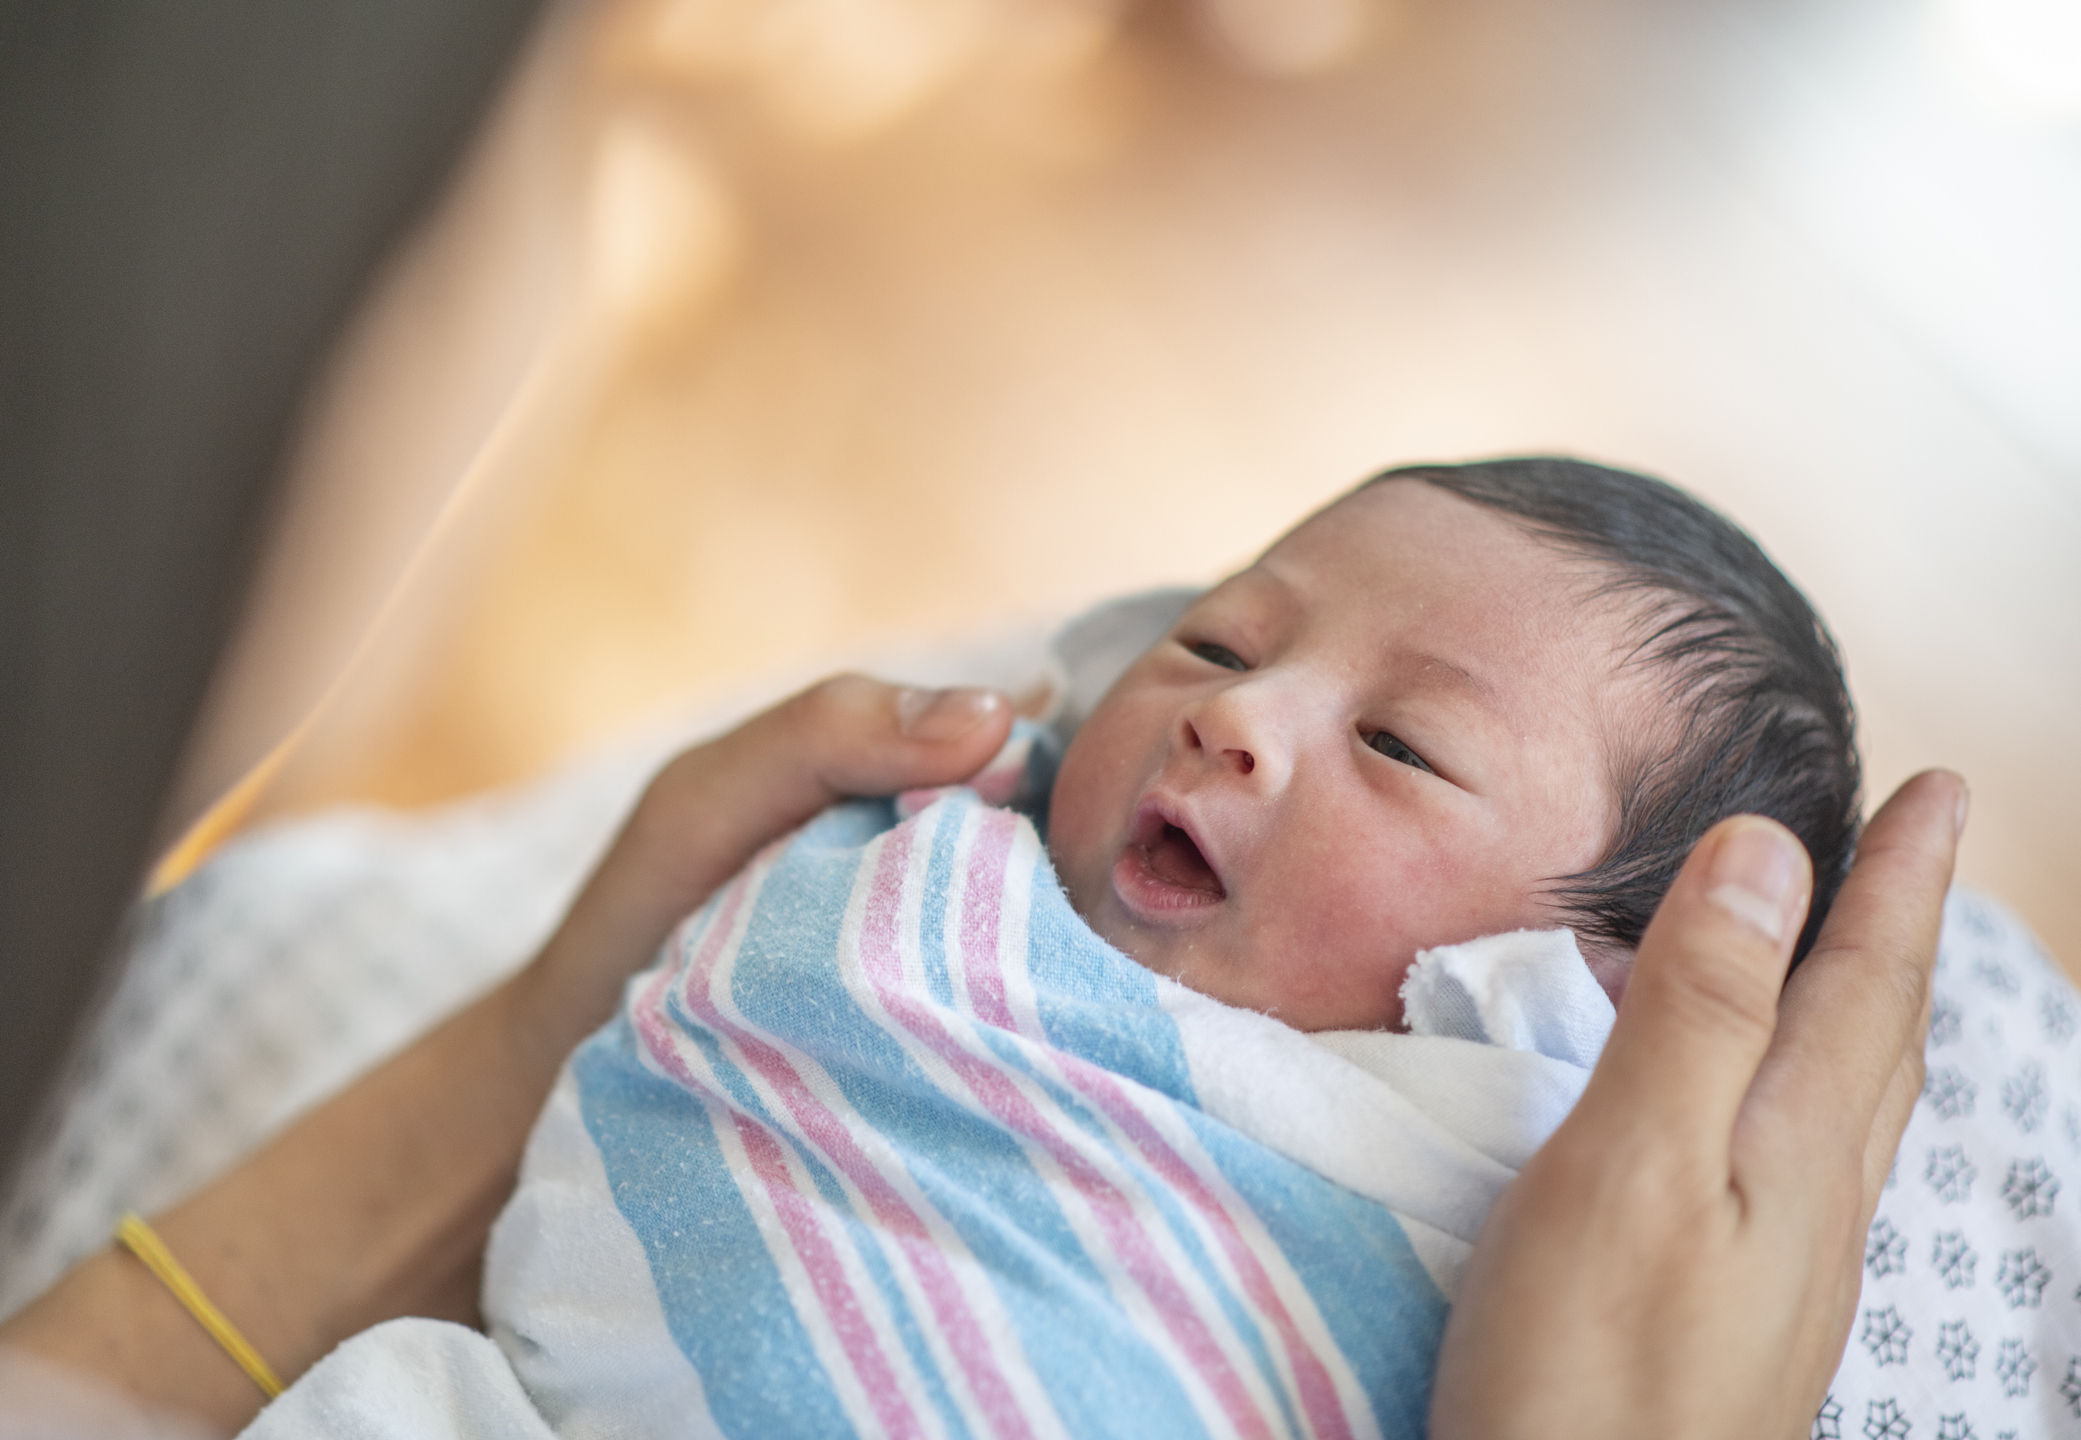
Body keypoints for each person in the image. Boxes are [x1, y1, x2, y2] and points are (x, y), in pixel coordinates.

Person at [0, 464, 1963, 1438]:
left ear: (1596, 995)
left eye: (1403, 746)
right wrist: (553, 1029)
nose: (1235, 717)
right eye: (1219, 638)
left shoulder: (1500, 1156)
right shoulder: (942, 885)